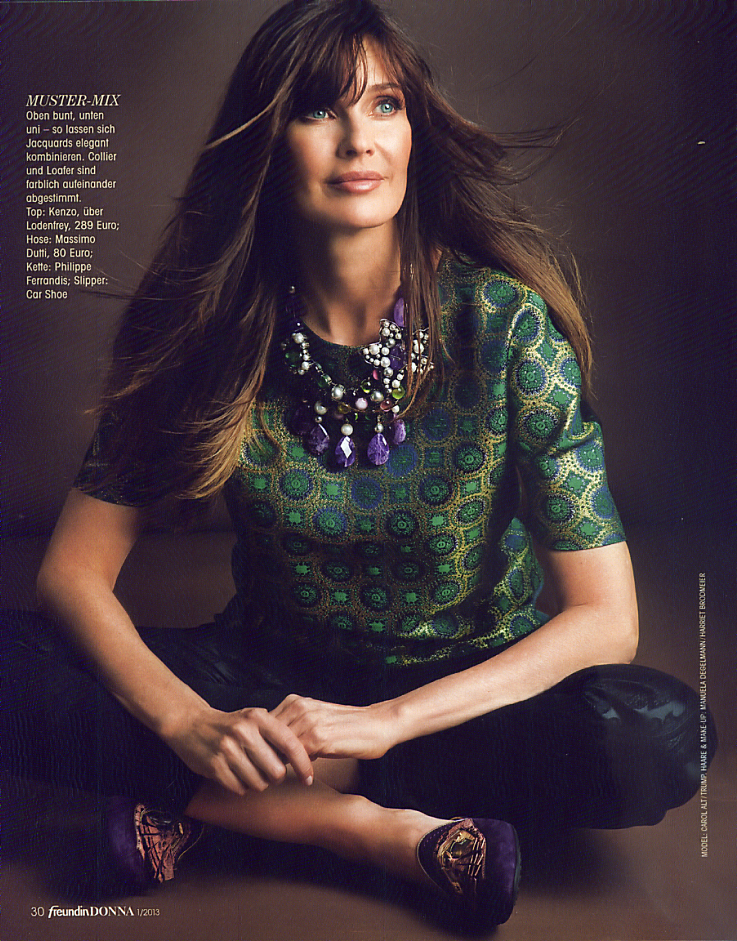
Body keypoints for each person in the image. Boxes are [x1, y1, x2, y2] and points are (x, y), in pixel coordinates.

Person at [3, 0, 715, 927]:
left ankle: (214, 807)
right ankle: (360, 829)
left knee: (659, 734)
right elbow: (71, 574)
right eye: (317, 109)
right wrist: (186, 721)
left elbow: (605, 620)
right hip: (259, 681)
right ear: (266, 141)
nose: (358, 140)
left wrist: (385, 722)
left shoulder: (503, 326)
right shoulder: (210, 329)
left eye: (384, 105)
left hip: (459, 694)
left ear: (414, 131)